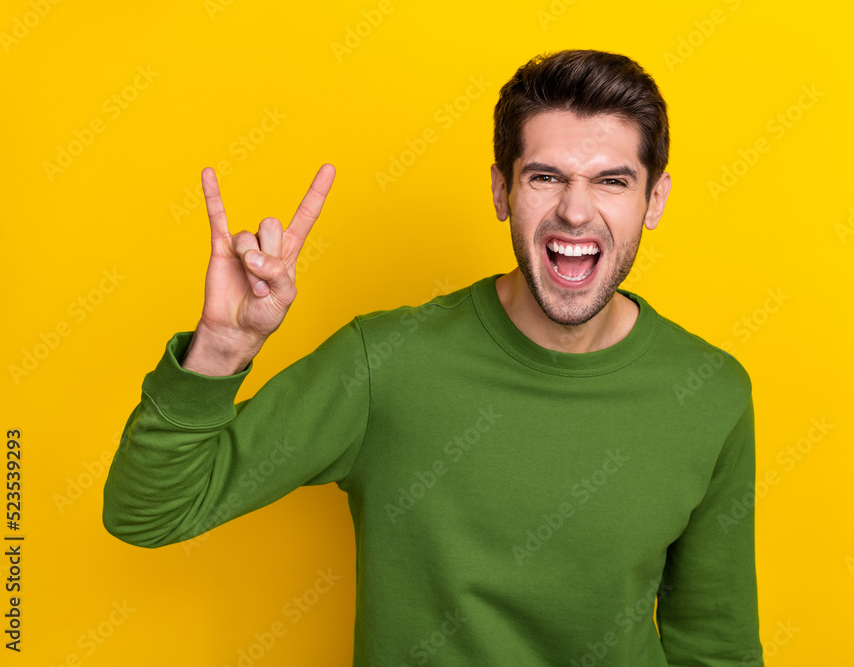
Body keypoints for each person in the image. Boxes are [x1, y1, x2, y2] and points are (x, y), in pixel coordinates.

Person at [103, 49, 764, 665]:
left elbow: (716, 641)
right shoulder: (385, 362)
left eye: (612, 181)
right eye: (545, 177)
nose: (575, 209)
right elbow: (150, 510)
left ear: (655, 199)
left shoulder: (709, 393)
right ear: (503, 191)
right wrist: (220, 348)